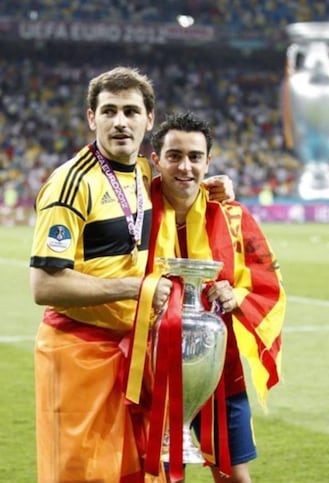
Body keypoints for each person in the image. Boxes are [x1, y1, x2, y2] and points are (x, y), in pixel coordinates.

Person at [29, 66, 233, 482]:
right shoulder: (70, 183)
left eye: (130, 111)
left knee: (135, 471)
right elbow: (45, 285)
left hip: (136, 349)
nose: (120, 121)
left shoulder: (141, 173)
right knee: (80, 474)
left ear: (149, 119)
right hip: (77, 353)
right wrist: (134, 288)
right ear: (92, 118)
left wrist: (209, 183)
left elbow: (176, 192)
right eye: (109, 111)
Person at [146, 112, 286, 483]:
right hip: (150, 375)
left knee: (235, 479)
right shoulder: (136, 215)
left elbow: (269, 285)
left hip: (219, 373)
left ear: (209, 161)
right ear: (155, 159)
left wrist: (236, 294)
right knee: (156, 477)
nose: (185, 166)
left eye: (195, 156)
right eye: (174, 155)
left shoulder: (235, 217)